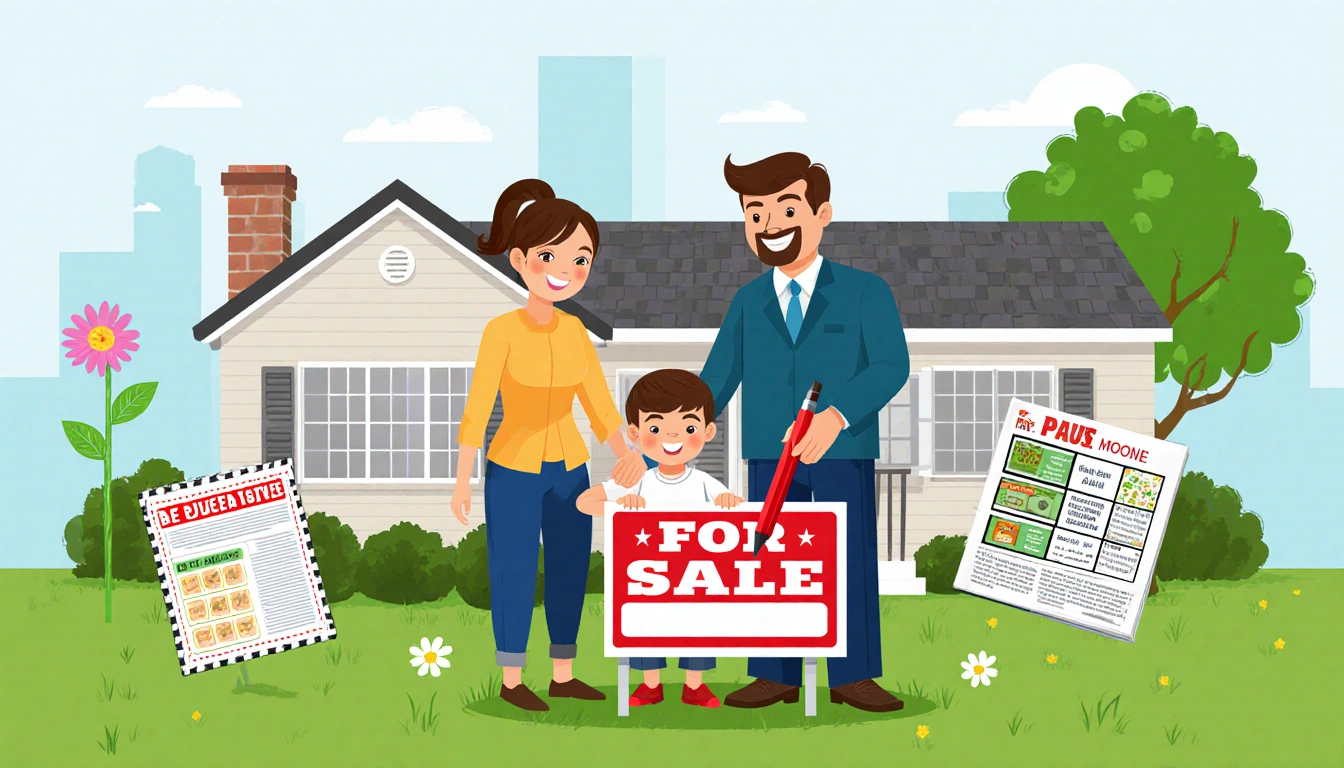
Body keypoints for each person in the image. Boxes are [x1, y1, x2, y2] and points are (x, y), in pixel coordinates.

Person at [699, 152, 911, 713]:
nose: (770, 225)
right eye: (755, 214)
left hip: (843, 451)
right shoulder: (748, 302)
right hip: (770, 455)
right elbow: (717, 377)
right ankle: (775, 673)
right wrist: (676, 428)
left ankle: (854, 676)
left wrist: (836, 417)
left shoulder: (865, 291)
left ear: (822, 214)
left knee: (849, 560)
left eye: (786, 209)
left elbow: (891, 365)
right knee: (771, 558)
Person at [451, 179, 646, 712]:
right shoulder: (501, 331)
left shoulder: (576, 332)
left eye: (580, 259)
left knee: (569, 566)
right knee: (513, 569)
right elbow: (477, 409)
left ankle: (564, 673)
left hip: (570, 469)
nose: (565, 269)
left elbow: (599, 405)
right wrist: (463, 479)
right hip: (513, 468)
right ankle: (513, 679)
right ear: (520, 260)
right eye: (549, 256)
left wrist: (626, 454)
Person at [576, 369, 745, 709]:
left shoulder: (704, 483)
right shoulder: (638, 481)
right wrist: (619, 506)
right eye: (656, 428)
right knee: (644, 624)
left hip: (695, 578)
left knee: (698, 626)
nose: (672, 436)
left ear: (708, 432)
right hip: (647, 577)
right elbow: (584, 502)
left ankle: (694, 685)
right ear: (635, 433)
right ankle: (650, 684)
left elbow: (737, 509)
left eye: (688, 427)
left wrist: (728, 502)